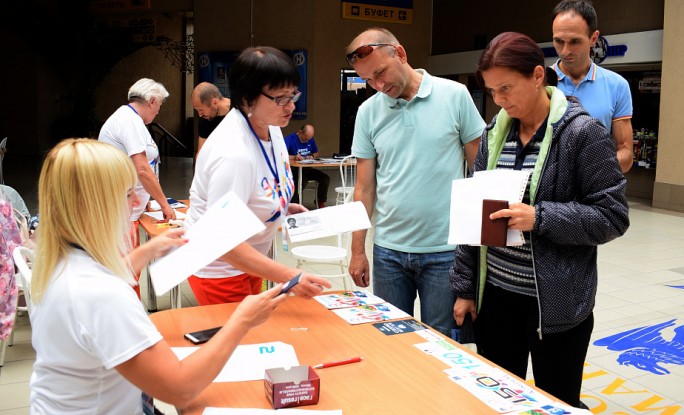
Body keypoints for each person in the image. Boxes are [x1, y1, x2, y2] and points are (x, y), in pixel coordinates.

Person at [29, 138, 287, 414]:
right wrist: (242, 321)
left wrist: (149, 250)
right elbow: (179, 388)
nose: (137, 201)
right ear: (95, 206)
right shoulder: (100, 295)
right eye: (128, 194)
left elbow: (99, 285)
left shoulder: (57, 262)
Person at [449, 32, 629, 407]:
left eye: (506, 89)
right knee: (498, 398)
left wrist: (540, 217)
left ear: (536, 77)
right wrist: (466, 287)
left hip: (555, 304)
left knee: (555, 400)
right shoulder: (494, 135)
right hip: (496, 295)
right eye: (491, 92)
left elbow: (612, 216)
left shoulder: (582, 134)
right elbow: (475, 215)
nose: (498, 101)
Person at [345, 27, 486, 337]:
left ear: (401, 54)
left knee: (441, 344)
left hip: (445, 251)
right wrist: (357, 250)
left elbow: (480, 173)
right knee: (393, 343)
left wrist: (477, 250)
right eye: (369, 80)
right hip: (389, 253)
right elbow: (364, 188)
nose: (379, 85)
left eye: (381, 72)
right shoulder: (367, 113)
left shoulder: (455, 96)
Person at [185, 46, 331, 305]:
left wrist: (280, 208)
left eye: (292, 94)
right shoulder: (233, 152)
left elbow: (263, 185)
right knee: (243, 340)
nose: (291, 106)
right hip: (220, 270)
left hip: (252, 262)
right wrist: (290, 276)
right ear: (248, 99)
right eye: (280, 98)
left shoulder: (271, 127)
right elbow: (221, 241)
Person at [99, 77, 176, 298]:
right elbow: (142, 169)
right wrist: (164, 205)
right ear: (152, 101)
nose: (158, 112)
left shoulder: (132, 121)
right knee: (127, 271)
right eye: (159, 106)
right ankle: (129, 318)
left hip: (130, 210)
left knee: (129, 268)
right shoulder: (129, 121)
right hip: (121, 212)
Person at [551, 0, 634, 173]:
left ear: (593, 38)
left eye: (574, 41)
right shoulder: (538, 83)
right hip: (545, 192)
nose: (565, 51)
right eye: (559, 41)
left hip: (594, 191)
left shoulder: (617, 85)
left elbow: (626, 153)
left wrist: (591, 171)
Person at [284, 124, 330, 208]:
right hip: (295, 169)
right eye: (305, 138)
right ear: (300, 132)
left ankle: (320, 201)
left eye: (309, 139)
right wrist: (294, 157)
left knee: (325, 179)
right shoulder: (289, 139)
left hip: (307, 168)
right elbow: (282, 155)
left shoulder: (310, 139)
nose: (307, 141)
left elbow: (316, 152)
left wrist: (311, 156)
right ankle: (295, 204)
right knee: (302, 181)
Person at [191, 82, 232, 156]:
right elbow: (201, 153)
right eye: (197, 110)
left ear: (215, 103)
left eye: (201, 109)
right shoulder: (205, 120)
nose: (200, 114)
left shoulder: (240, 110)